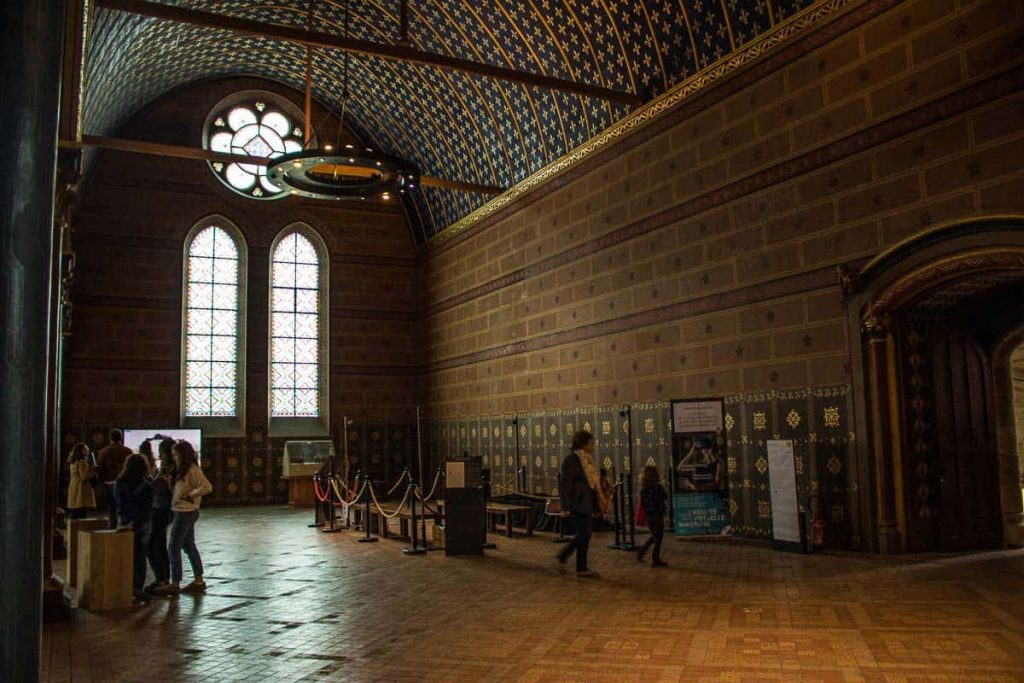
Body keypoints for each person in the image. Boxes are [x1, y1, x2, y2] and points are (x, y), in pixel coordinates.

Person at [154, 440, 212, 596]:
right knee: (188, 545)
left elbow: (207, 486)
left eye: (176, 455)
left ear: (183, 455)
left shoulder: (193, 469)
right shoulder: (182, 470)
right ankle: (198, 580)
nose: (174, 458)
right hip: (181, 509)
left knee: (173, 546)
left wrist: (190, 495)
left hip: (185, 511)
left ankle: (175, 583)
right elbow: (179, 490)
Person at [556, 430, 606, 578]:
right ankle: (572, 561)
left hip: (586, 503)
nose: (593, 446)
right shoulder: (572, 460)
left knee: (585, 535)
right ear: (583, 443)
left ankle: (578, 565)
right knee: (584, 534)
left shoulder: (588, 460)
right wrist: (565, 506)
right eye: (591, 443)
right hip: (577, 503)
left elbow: (592, 484)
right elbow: (565, 485)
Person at [115, 453, 154, 605]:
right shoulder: (147, 485)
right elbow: (147, 508)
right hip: (142, 524)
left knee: (124, 555)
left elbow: (119, 503)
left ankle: (122, 586)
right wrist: (137, 521)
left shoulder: (120, 482)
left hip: (125, 520)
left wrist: (124, 520)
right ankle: (137, 587)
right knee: (140, 556)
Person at [146, 437, 175, 593]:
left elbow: (165, 488)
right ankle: (163, 577)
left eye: (161, 453)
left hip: (162, 509)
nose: (160, 456)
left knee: (154, 544)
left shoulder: (170, 469)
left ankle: (162, 578)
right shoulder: (165, 467)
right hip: (160, 508)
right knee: (160, 543)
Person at [96, 429, 132, 529]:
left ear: (110, 438)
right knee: (124, 508)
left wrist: (101, 483)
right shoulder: (127, 451)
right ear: (121, 437)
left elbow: (100, 469)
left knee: (112, 509)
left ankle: (112, 529)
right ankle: (125, 530)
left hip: (108, 483)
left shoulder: (104, 451)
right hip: (124, 483)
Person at [637, 465, 668, 567]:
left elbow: (643, 503)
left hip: (649, 515)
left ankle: (642, 551)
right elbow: (665, 497)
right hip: (657, 514)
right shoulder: (657, 487)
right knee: (658, 537)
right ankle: (655, 559)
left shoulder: (644, 488)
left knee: (655, 535)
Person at [66, 443, 97, 519]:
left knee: (74, 514)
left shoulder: (73, 462)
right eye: (85, 449)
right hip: (81, 490)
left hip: (74, 487)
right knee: (81, 514)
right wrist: (93, 471)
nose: (88, 450)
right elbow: (84, 477)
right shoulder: (82, 462)